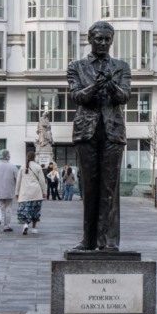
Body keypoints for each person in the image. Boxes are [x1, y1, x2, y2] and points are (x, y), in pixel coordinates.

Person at [67, 21, 131, 252]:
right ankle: (89, 239)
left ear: (112, 40)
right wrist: (94, 87)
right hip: (86, 132)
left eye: (107, 39)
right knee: (89, 188)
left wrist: (111, 86)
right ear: (90, 39)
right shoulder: (76, 66)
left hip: (112, 132)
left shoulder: (121, 66)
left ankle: (110, 240)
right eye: (99, 39)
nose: (103, 43)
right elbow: (77, 97)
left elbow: (125, 97)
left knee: (110, 188)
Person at [16, 150, 47, 235]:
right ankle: (34, 228)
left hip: (24, 193)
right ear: (34, 157)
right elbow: (42, 181)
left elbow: (18, 181)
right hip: (36, 193)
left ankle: (26, 224)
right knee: (35, 211)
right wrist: (44, 191)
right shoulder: (38, 167)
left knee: (26, 210)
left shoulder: (22, 167)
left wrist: (17, 192)